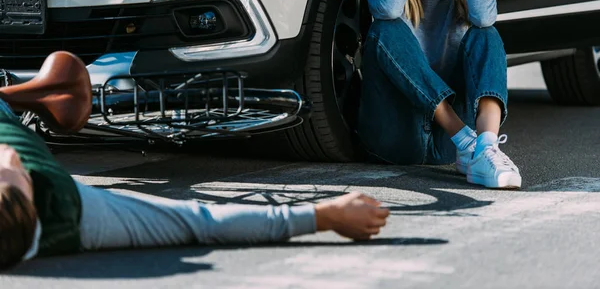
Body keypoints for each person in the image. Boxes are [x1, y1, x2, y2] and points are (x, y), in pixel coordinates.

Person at [0, 51, 390, 270]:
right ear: (33, 203)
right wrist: (324, 216)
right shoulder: (77, 214)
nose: (10, 155)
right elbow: (198, 221)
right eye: (18, 174)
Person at [358, 0, 521, 189]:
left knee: (486, 33)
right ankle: (468, 139)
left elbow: (484, 17)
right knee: (386, 28)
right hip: (396, 137)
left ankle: (485, 148)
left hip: (452, 151)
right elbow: (388, 11)